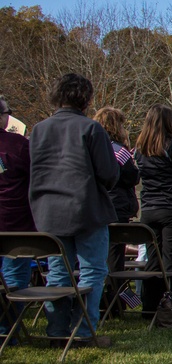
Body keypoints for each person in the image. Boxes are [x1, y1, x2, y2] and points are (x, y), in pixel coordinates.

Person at [29, 74, 118, 346]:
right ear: (86, 99)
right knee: (92, 270)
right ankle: (83, 330)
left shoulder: (38, 129)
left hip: (48, 211)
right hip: (85, 209)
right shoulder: (91, 129)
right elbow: (109, 173)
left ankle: (56, 331)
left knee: (58, 272)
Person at [133, 104, 172, 314]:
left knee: (153, 259)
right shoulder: (170, 146)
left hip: (149, 208)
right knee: (171, 260)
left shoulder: (139, 148)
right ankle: (171, 307)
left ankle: (149, 307)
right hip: (171, 207)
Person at [94, 107, 139, 317]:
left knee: (98, 256)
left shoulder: (92, 148)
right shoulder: (120, 152)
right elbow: (131, 177)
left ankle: (103, 300)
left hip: (96, 207)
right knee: (115, 258)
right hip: (117, 209)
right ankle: (113, 303)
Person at [0, 95, 35, 335]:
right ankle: (6, 331)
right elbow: (37, 178)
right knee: (13, 281)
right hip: (15, 225)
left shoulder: (19, 144)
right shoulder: (18, 145)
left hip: (15, 222)